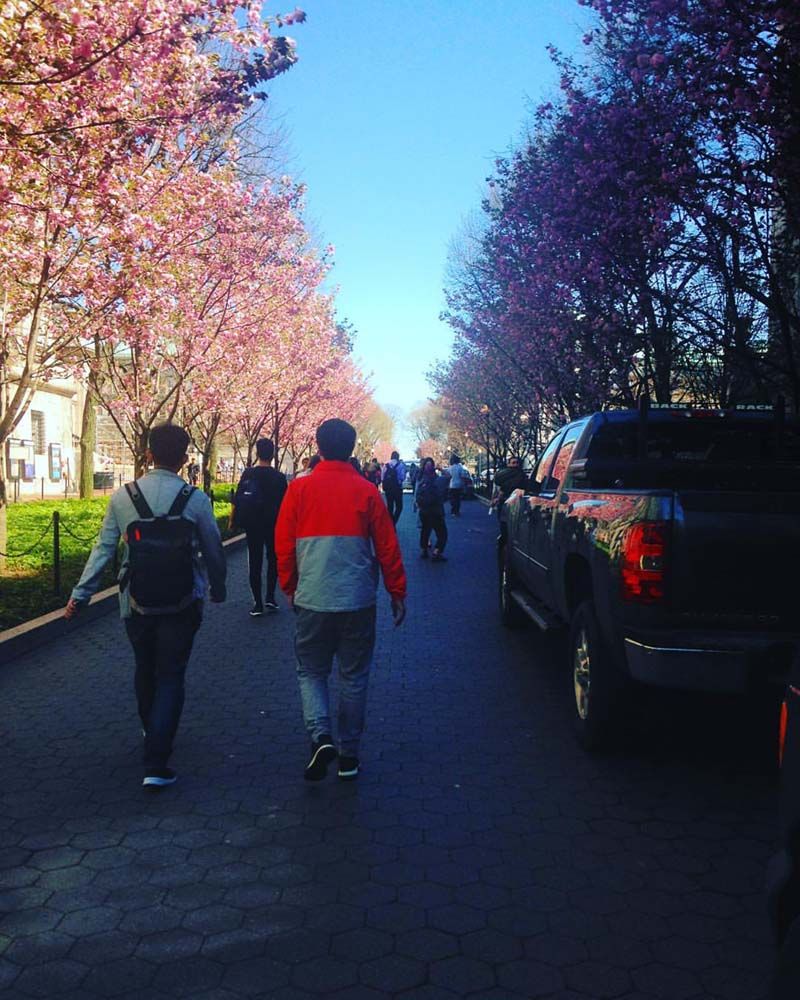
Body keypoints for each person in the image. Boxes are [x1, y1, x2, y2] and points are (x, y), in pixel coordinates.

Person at [64, 423, 226, 789]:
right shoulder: (195, 499)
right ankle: (157, 759)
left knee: (145, 667)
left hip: (134, 602)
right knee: (171, 673)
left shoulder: (124, 497)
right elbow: (214, 551)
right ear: (185, 460)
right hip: (184, 602)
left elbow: (104, 549)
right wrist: (218, 587)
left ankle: (149, 730)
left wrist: (80, 594)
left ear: (149, 453)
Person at [275, 418, 407, 782]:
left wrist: (289, 586)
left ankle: (320, 736)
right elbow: (388, 548)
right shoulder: (367, 491)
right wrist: (397, 592)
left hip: (312, 598)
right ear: (351, 449)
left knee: (311, 671)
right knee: (354, 676)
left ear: (318, 447)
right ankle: (349, 755)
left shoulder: (298, 491)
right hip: (357, 599)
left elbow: (283, 545)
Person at [229, 438, 287, 616]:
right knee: (273, 560)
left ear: (257, 453)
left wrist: (233, 520)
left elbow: (237, 499)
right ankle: (270, 596)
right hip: (273, 523)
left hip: (252, 523)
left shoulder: (248, 474)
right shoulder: (279, 477)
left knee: (255, 561)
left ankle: (257, 603)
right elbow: (286, 504)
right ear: (273, 454)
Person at [415, 456, 448, 561]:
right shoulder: (437, 479)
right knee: (442, 533)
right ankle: (437, 551)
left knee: (425, 531)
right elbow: (448, 476)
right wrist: (441, 469)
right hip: (436, 510)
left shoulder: (420, 479)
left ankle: (424, 550)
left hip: (424, 510)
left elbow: (416, 494)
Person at [492, 457, 527, 543]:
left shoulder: (520, 475)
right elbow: (497, 489)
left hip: (515, 502)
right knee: (505, 525)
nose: (515, 465)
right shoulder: (504, 476)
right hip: (506, 502)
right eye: (513, 463)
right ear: (508, 464)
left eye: (517, 463)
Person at [382, 450, 406, 525]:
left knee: (390, 506)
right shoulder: (400, 465)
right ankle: (393, 522)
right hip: (397, 488)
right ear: (398, 457)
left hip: (388, 488)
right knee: (399, 506)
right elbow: (402, 477)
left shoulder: (386, 465)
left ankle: (390, 523)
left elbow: (382, 477)